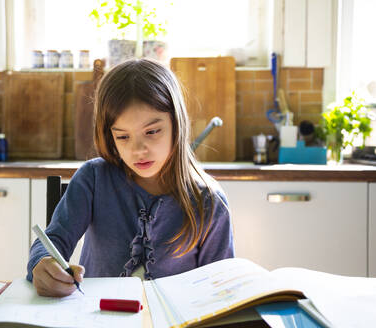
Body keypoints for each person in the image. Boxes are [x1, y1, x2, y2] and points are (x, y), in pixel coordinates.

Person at [27, 58, 234, 297]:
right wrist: (42, 264)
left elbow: (220, 291)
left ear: (177, 124)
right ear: (109, 136)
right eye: (123, 137)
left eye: (152, 131)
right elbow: (53, 239)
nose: (138, 150)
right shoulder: (93, 179)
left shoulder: (208, 201)